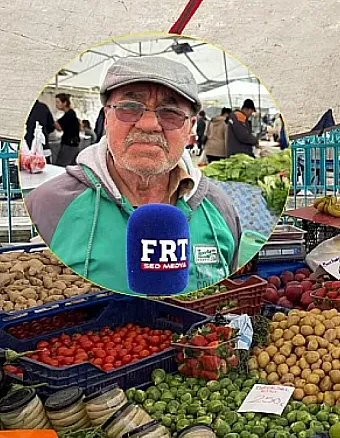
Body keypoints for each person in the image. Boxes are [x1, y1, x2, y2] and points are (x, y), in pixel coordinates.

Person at [25, 56, 242, 295]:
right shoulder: (48, 206)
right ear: (107, 118)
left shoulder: (219, 209)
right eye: (129, 107)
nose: (148, 124)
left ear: (190, 127)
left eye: (170, 112)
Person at [54, 93, 81, 167]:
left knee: (60, 167)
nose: (56, 104)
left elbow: (59, 128)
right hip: (73, 145)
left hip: (69, 145)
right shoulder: (70, 114)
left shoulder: (69, 115)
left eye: (58, 102)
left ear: (65, 103)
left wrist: (52, 120)